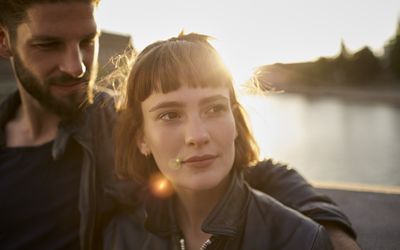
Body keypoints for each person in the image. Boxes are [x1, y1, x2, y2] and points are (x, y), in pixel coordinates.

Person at [0, 0, 358, 249]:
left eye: (87, 42)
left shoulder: (112, 123)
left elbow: (248, 170)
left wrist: (329, 236)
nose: (76, 66)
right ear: (5, 41)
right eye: (48, 45)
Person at [105, 33, 333, 249]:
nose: (197, 136)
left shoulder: (302, 241)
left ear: (235, 120)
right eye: (170, 115)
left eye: (214, 108)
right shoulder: (123, 235)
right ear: (142, 138)